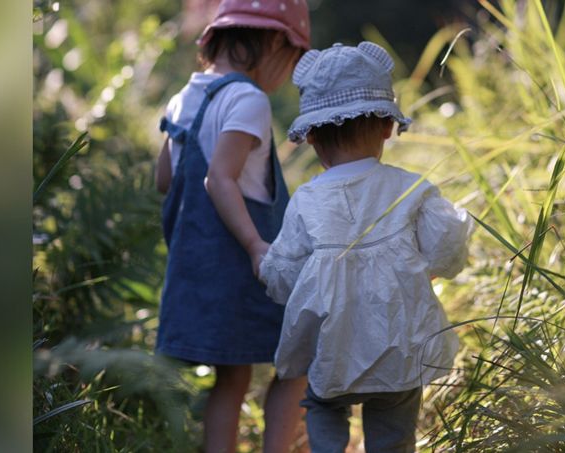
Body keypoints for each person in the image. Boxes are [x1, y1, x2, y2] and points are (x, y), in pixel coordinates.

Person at [258, 42, 474, 453]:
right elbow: (447, 243)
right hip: (397, 342)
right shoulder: (409, 189)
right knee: (393, 425)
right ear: (387, 126)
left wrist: (267, 270)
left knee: (323, 403)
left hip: (333, 346)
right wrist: (424, 266)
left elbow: (285, 276)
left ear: (313, 137)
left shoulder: (307, 199)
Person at [153, 1, 310, 452]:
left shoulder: (184, 96)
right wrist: (256, 243)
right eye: (293, 59)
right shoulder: (248, 99)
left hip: (196, 266)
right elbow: (218, 177)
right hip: (245, 265)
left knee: (231, 373)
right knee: (299, 357)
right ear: (276, 42)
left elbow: (165, 179)